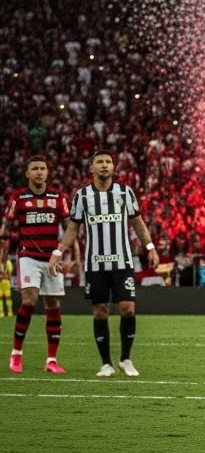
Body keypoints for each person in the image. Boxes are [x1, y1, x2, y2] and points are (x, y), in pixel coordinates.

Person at [50, 150, 157, 377]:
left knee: (128, 309)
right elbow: (72, 228)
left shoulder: (125, 193)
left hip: (122, 262)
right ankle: (106, 363)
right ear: (92, 168)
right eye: (100, 162)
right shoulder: (82, 196)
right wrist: (58, 252)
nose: (104, 165)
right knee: (100, 311)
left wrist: (150, 247)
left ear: (113, 167)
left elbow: (138, 223)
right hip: (95, 264)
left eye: (108, 162)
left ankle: (125, 359)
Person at [3, 156, 77, 374]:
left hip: (52, 258)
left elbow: (70, 228)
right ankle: (16, 354)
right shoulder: (18, 197)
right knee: (29, 300)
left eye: (42, 168)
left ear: (47, 172)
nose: (39, 172)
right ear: (27, 173)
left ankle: (51, 360)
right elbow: (5, 228)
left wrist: (74, 256)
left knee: (53, 304)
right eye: (34, 168)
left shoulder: (57, 197)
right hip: (28, 257)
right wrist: (1, 259)